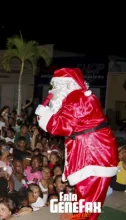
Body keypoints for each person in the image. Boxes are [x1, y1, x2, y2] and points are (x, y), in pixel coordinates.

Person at [36, 68, 118, 220]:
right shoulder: (78, 97)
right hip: (93, 149)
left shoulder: (77, 97)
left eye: (55, 86)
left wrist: (44, 117)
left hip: (93, 152)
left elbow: (63, 125)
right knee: (88, 197)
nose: (52, 90)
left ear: (65, 85)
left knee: (88, 195)